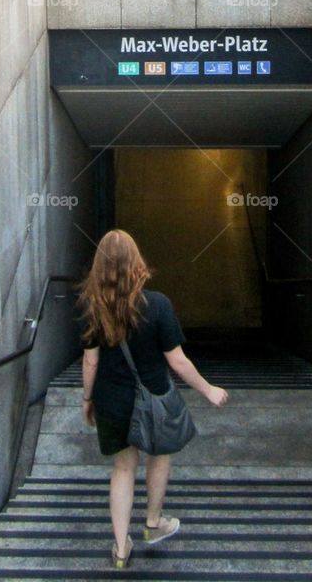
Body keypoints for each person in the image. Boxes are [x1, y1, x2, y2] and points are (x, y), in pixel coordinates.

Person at [79, 230, 229, 570]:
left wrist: (88, 399)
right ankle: (152, 523)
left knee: (122, 469)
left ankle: (120, 549)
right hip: (154, 400)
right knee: (160, 455)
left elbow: (91, 361)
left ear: (99, 266)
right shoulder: (158, 304)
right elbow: (177, 360)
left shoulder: (94, 306)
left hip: (112, 402)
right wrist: (208, 390)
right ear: (136, 262)